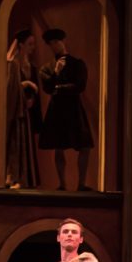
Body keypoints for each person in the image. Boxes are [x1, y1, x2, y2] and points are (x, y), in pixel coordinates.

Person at [39, 29, 94, 191]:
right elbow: (48, 88)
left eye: (57, 41)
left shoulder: (77, 64)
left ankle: (81, 184)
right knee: (58, 146)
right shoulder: (47, 68)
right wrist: (56, 73)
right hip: (57, 109)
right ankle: (62, 184)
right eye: (52, 43)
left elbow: (79, 86)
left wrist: (59, 87)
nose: (55, 45)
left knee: (85, 146)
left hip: (74, 108)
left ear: (63, 41)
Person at [4, 29, 42, 189]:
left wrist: (31, 98)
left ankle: (24, 178)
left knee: (25, 143)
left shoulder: (30, 66)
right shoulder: (12, 64)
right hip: (16, 111)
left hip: (26, 111)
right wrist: (25, 85)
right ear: (20, 45)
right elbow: (9, 88)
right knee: (15, 143)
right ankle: (13, 177)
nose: (32, 47)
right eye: (30, 44)